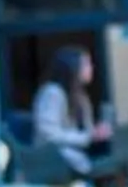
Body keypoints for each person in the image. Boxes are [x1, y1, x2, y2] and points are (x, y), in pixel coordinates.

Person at [29, 45, 110, 176]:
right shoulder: (52, 93)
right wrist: (88, 137)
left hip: (78, 151)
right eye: (86, 64)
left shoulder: (81, 98)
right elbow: (48, 134)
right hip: (53, 154)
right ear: (73, 67)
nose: (91, 68)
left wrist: (97, 133)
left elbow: (85, 134)